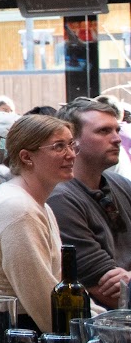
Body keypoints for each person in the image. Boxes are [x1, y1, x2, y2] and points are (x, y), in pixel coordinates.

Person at [0, 113, 76, 337]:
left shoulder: (33, 204)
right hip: (10, 338)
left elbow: (57, 287)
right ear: (26, 157)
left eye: (72, 145)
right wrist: (91, 334)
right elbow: (43, 302)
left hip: (20, 329)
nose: (71, 154)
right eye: (59, 146)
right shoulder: (18, 208)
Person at [49, 98, 131, 309]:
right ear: (71, 141)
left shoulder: (122, 184)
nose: (117, 139)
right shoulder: (60, 199)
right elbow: (111, 293)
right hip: (101, 323)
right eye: (104, 131)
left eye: (117, 130)